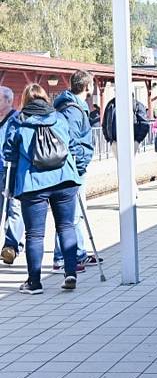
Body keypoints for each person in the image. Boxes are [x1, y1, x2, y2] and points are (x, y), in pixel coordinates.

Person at [1, 84, 83, 294]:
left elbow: (9, 155)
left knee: (35, 235)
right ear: (45, 98)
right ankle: (71, 273)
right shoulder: (60, 117)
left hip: (33, 183)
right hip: (65, 180)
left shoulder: (18, 121)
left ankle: (34, 282)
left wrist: (8, 187)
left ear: (25, 100)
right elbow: (72, 146)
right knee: (66, 227)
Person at [52, 70, 95, 271]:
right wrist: (79, 165)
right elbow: (72, 141)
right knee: (70, 214)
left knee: (73, 213)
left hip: (75, 165)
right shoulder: (72, 110)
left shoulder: (74, 106)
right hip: (73, 167)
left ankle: (78, 253)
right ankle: (64, 256)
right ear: (87, 86)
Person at [0, 86, 23, 265]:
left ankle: (11, 246)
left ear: (9, 101)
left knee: (14, 207)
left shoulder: (16, 119)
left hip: (10, 170)